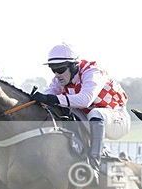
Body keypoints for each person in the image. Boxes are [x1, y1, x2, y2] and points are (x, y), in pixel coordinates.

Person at [31, 43, 131, 172]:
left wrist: (52, 99)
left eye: (60, 69)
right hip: (91, 119)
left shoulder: (93, 72)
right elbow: (48, 95)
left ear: (74, 66)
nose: (57, 74)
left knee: (95, 113)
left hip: (117, 119)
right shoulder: (60, 79)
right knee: (62, 110)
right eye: (53, 69)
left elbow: (85, 100)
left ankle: (95, 161)